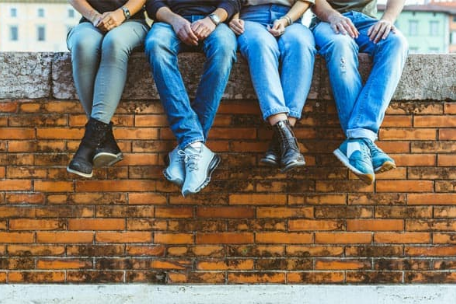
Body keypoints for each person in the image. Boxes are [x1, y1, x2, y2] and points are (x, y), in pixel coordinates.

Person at [144, 0, 241, 196]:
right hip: (169, 22)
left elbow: (235, 1)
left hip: (216, 22)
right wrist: (175, 20)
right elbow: (152, 2)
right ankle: (195, 146)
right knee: (155, 45)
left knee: (224, 48)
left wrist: (212, 20)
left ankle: (187, 146)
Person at [311, 0, 408, 184]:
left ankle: (358, 141)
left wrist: (387, 19)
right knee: (341, 45)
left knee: (397, 42)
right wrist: (334, 16)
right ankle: (363, 141)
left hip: (367, 22)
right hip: (327, 23)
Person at [229, 0, 316, 172]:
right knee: (260, 46)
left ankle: (281, 139)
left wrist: (285, 20)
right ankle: (286, 138)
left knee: (301, 44)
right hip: (250, 18)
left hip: (291, 18)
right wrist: (234, 18)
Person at [66, 0, 149, 178]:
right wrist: (95, 16)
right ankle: (104, 138)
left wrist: (121, 14)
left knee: (115, 42)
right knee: (83, 44)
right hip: (90, 22)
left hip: (132, 22)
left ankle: (88, 145)